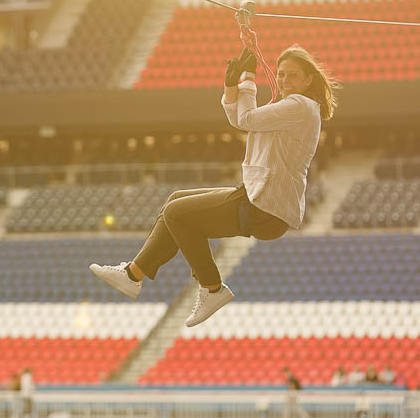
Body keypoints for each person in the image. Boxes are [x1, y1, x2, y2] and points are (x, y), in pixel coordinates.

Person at [90, 44, 336, 326]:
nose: (283, 81)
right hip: (261, 199)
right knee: (176, 200)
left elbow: (245, 119)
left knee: (177, 214)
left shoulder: (300, 106)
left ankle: (212, 288)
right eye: (281, 74)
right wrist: (233, 85)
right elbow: (238, 117)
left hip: (266, 207)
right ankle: (133, 275)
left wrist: (249, 80)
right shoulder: (292, 107)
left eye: (292, 75)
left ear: (309, 80)